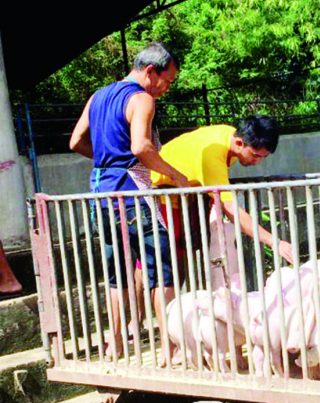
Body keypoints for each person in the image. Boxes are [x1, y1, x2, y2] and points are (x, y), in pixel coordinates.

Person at [69, 42, 190, 360]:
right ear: (151, 72)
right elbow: (141, 148)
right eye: (168, 80)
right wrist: (176, 176)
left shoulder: (98, 96)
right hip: (134, 192)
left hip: (102, 193)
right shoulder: (142, 99)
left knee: (117, 272)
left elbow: (75, 141)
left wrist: (108, 159)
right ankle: (169, 346)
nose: (166, 88)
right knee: (161, 269)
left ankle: (116, 345)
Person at [150, 116, 294, 271]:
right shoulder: (214, 155)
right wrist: (274, 242)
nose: (257, 162)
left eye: (262, 157)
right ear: (240, 143)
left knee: (166, 263)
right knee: (166, 267)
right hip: (158, 191)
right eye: (255, 155)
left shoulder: (230, 135)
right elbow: (230, 207)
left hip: (176, 194)